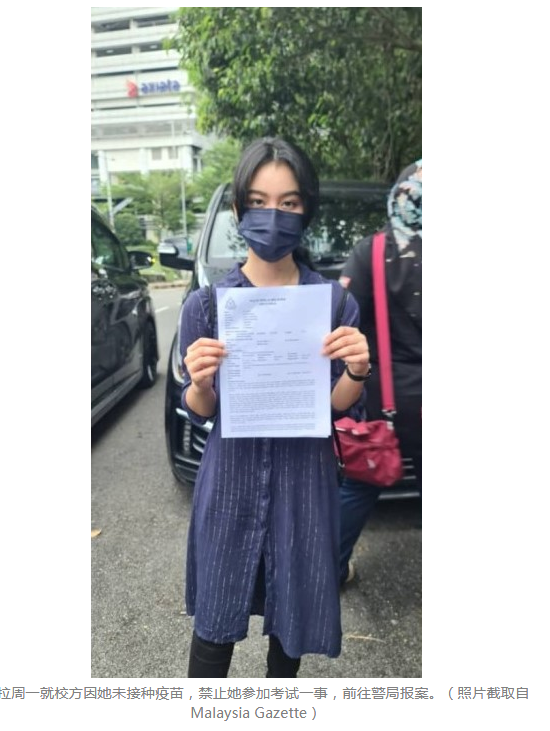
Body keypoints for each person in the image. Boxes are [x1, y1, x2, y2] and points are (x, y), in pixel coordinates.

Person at [179, 137, 370, 677]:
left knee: (291, 627)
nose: (273, 216)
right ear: (239, 209)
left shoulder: (334, 303)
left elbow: (333, 407)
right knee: (214, 627)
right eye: (259, 202)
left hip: (304, 483)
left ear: (306, 209)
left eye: (288, 203)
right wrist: (201, 381)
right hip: (231, 481)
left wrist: (357, 369)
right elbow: (199, 409)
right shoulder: (207, 306)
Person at [338, 159, 422, 586]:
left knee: (359, 485)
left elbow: (342, 319)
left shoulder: (369, 253)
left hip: (386, 400)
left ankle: (332, 569)